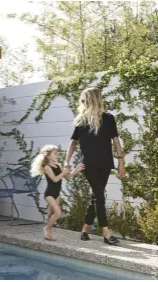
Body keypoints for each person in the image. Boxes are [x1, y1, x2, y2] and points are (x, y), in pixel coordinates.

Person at [64, 87, 126, 245]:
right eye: (82, 101)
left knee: (96, 195)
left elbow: (116, 141)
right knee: (99, 195)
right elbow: (72, 144)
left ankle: (85, 229)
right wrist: (66, 163)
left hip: (105, 164)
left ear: (94, 100)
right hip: (88, 165)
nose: (83, 103)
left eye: (86, 100)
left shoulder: (109, 118)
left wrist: (121, 162)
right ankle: (106, 233)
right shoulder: (81, 121)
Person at [31, 144, 85, 241]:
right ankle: (47, 229)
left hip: (57, 195)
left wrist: (76, 170)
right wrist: (63, 173)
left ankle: (47, 231)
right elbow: (55, 179)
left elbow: (67, 177)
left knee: (51, 214)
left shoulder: (58, 166)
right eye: (55, 153)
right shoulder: (47, 167)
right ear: (48, 155)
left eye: (58, 154)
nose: (57, 155)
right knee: (58, 213)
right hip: (49, 194)